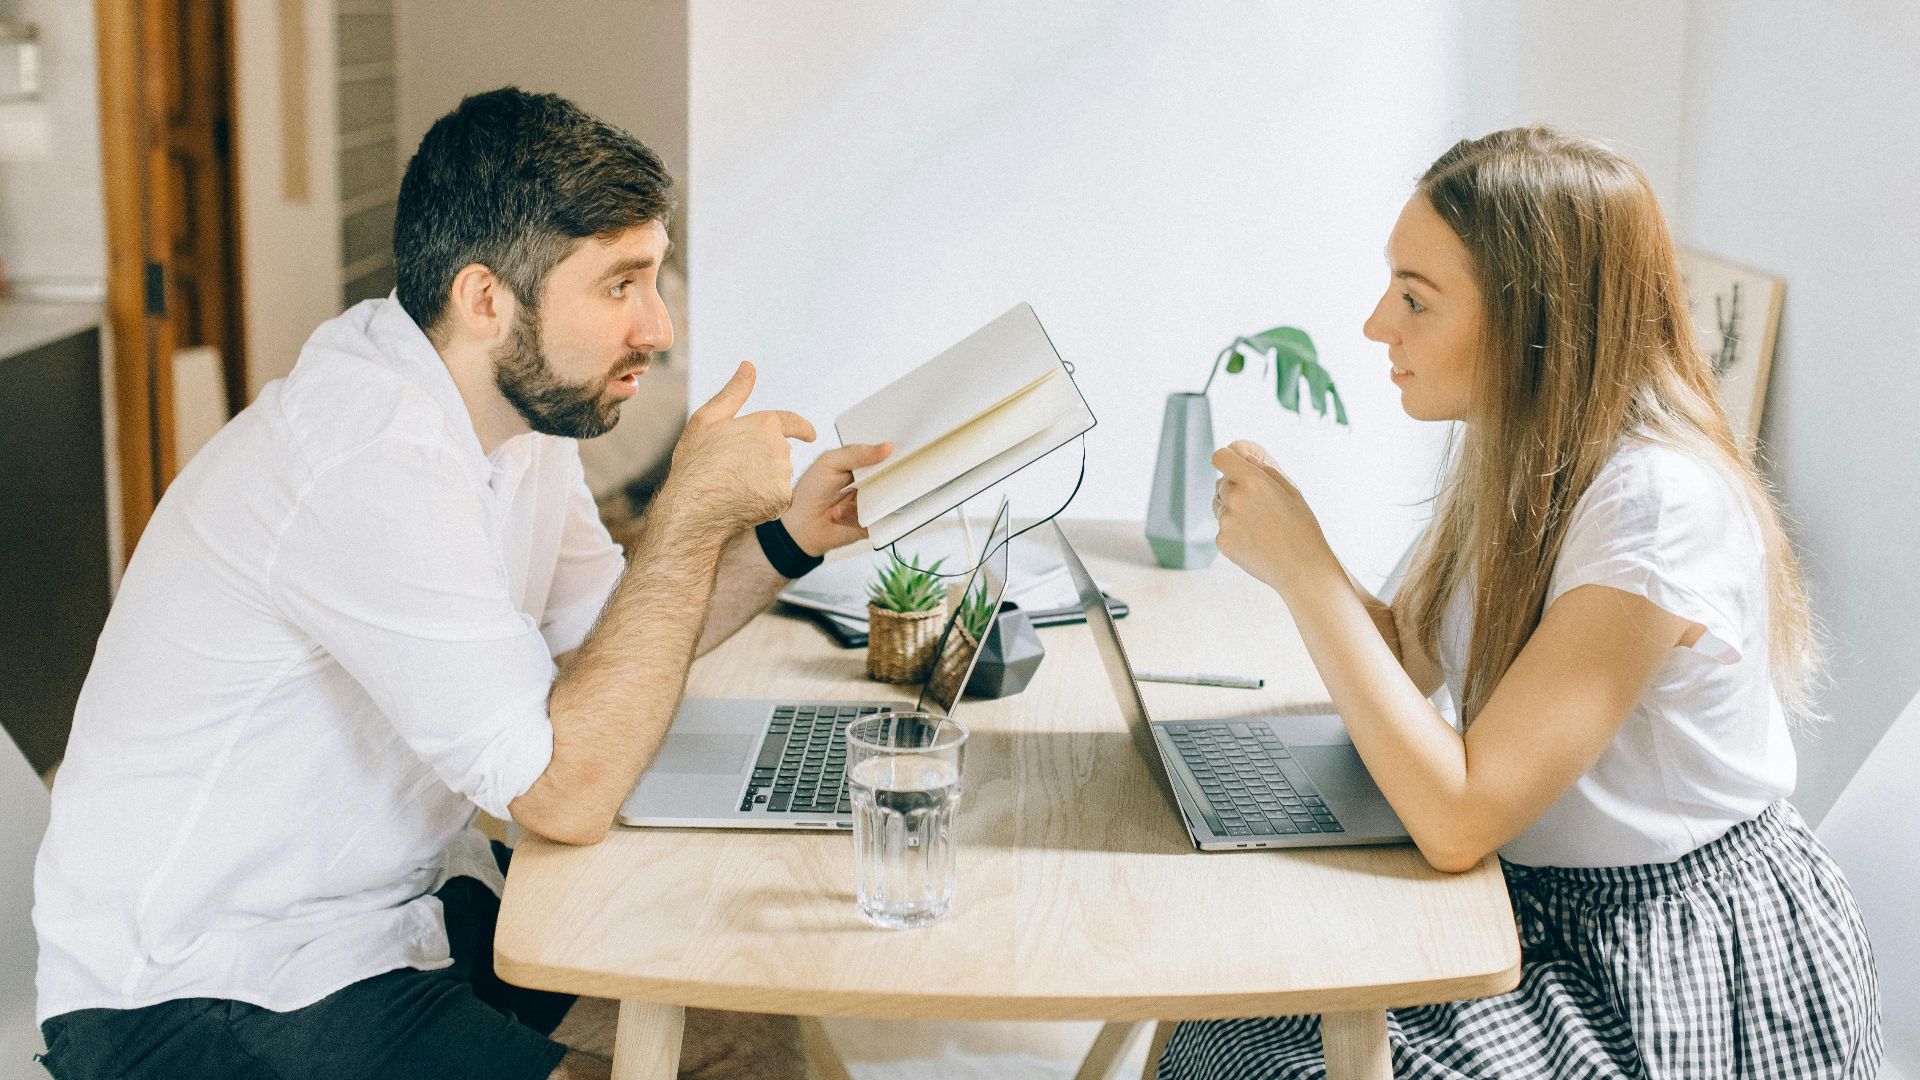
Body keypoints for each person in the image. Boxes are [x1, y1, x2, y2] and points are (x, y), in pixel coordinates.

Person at [32, 88, 885, 1080]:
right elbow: (562, 796)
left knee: (742, 1022)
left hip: (393, 910)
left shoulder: (514, 418)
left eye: (656, 276)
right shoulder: (366, 460)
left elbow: (614, 649)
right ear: (487, 300)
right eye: (621, 285)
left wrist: (787, 538)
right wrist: (690, 512)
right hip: (207, 983)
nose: (657, 325)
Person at [1163, 128, 1882, 1078]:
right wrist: (1297, 560)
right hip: (1536, 902)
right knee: (1217, 1014)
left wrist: (1307, 572)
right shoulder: (1514, 452)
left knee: (1263, 1061)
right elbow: (1409, 661)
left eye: (1416, 298)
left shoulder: (1657, 509)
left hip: (1667, 957)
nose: (1379, 324)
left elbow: (1460, 818)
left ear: (1530, 319)